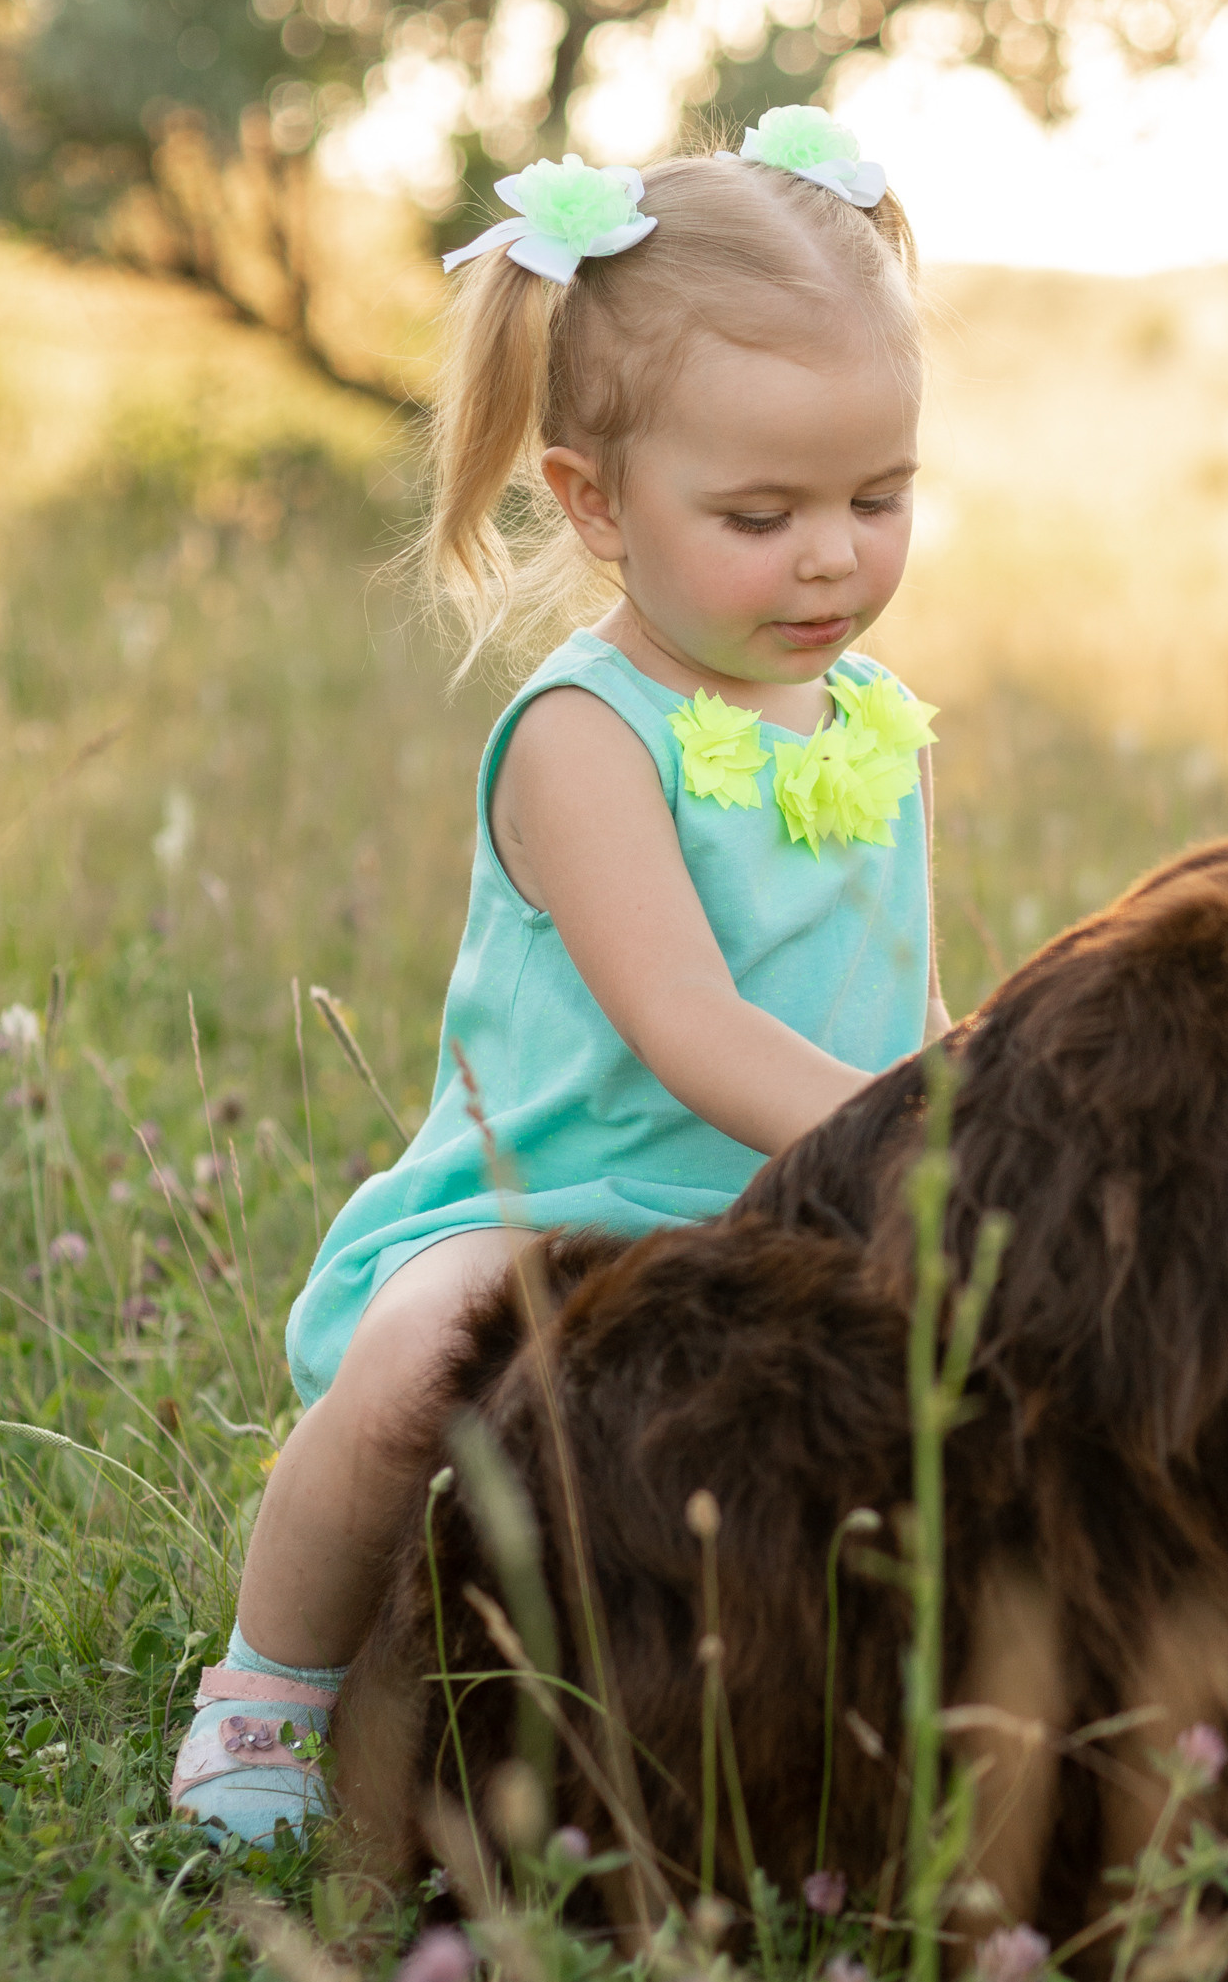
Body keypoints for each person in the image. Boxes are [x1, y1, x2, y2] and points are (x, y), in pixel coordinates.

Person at [170, 106, 944, 1844]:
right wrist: (916, 1142)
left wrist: (985, 1106)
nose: (833, 554)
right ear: (592, 501)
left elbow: (911, 1009)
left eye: (880, 498)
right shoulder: (587, 735)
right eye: (763, 512)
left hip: (792, 1195)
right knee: (420, 1359)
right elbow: (687, 1029)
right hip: (570, 1194)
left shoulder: (873, 721)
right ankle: (268, 1693)